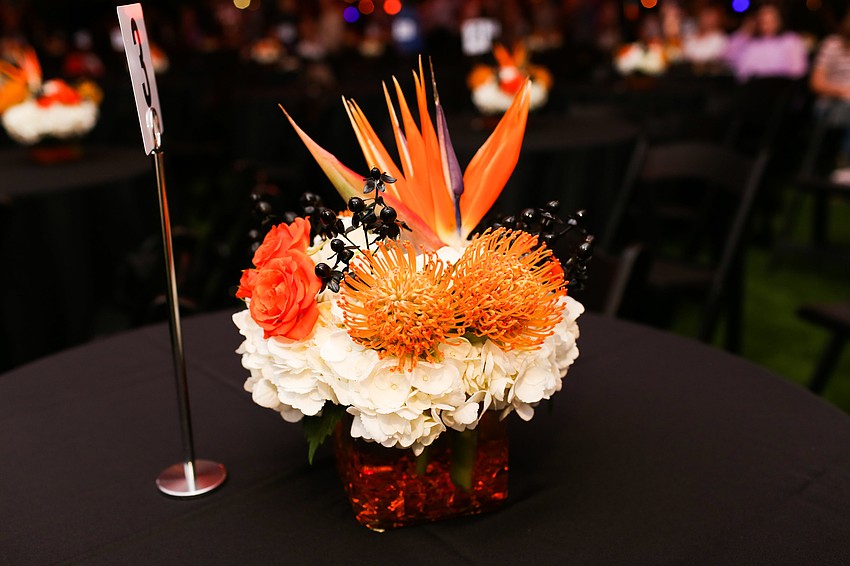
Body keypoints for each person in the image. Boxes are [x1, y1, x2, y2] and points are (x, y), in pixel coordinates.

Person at [810, 11, 850, 180]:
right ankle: (845, 165)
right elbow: (816, 83)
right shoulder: (832, 44)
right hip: (829, 104)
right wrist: (842, 91)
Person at [725, 3, 807, 82]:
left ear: (779, 20)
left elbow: (798, 72)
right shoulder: (751, 43)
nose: (766, 24)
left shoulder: (790, 40)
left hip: (781, 90)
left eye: (771, 20)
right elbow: (730, 60)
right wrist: (744, 31)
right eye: (763, 20)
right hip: (751, 90)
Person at [682, 4, 728, 72]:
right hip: (686, 75)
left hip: (707, 77)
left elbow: (712, 59)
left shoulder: (721, 39)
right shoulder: (690, 36)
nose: (707, 19)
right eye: (705, 15)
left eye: (711, 16)